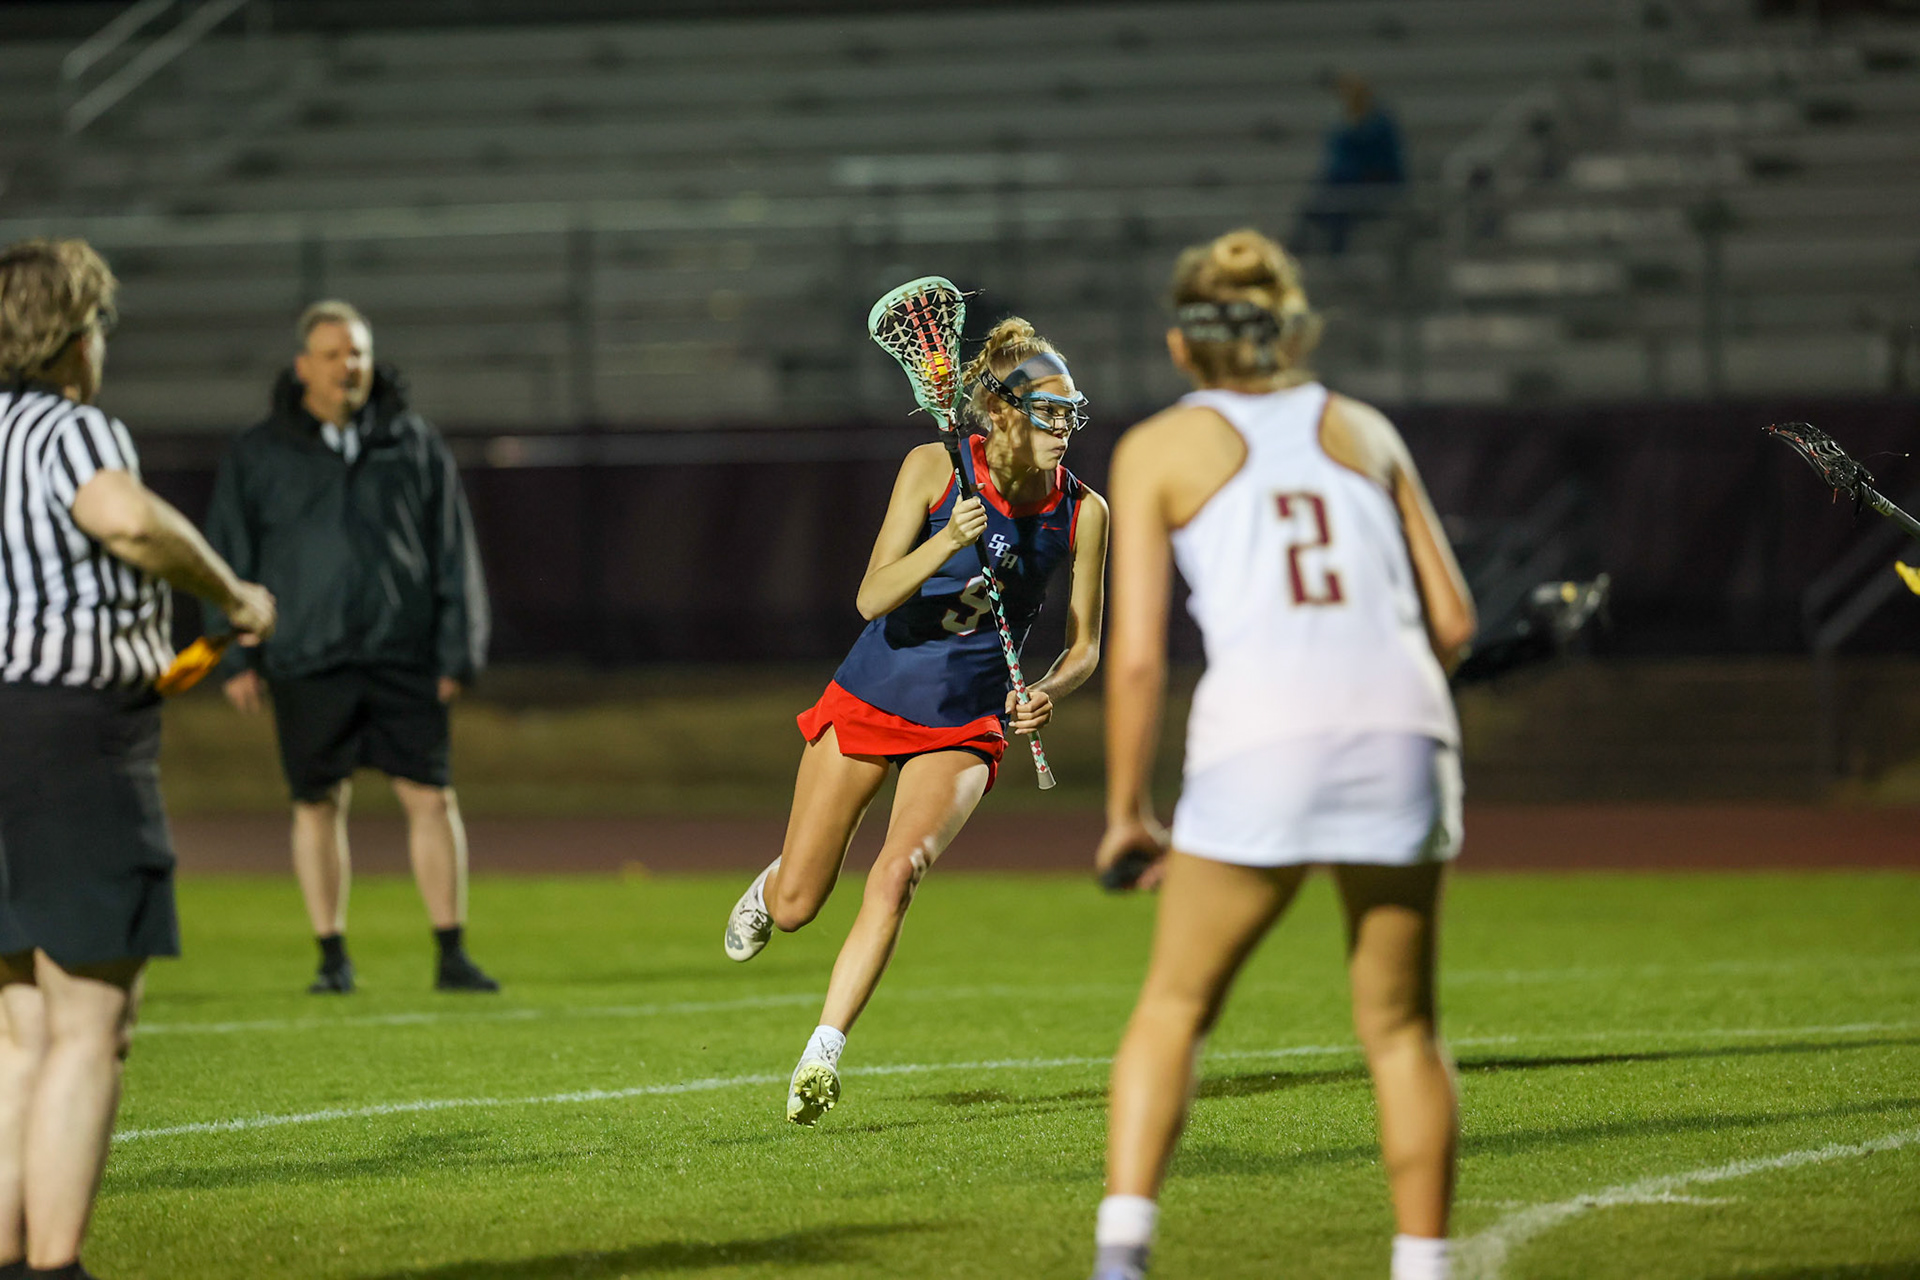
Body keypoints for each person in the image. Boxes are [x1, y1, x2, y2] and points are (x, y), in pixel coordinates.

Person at [1088, 229, 1476, 1280]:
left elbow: (1134, 664)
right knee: (1400, 1028)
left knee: (1174, 1005)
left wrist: (1127, 808)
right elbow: (1452, 618)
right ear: (1289, 324)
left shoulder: (1157, 447)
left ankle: (1123, 1254)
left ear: (1182, 346)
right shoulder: (1365, 426)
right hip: (1405, 730)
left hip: (1261, 733)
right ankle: (1425, 1263)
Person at [722, 317, 1109, 1126]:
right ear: (1001, 413)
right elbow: (870, 597)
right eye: (1049, 412)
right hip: (874, 693)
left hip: (965, 723)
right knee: (797, 906)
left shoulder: (1086, 511)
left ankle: (823, 1051)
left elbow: (1087, 646)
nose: (1064, 428)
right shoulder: (935, 468)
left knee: (900, 871)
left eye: (1071, 412)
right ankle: (774, 879)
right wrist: (948, 544)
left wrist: (1049, 690)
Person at [0, 238, 277, 1280]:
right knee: (89, 1020)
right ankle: (56, 1265)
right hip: (68, 739)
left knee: (21, 1021)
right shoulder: (73, 430)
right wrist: (233, 594)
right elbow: (122, 517)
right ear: (76, 336)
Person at [205, 300, 497, 995]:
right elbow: (226, 559)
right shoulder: (259, 451)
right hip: (306, 652)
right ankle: (332, 956)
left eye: (358, 353)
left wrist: (459, 649)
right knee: (316, 802)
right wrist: (234, 655)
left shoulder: (413, 440)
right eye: (334, 354)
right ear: (304, 366)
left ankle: (451, 952)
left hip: (402, 652)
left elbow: (453, 550)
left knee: (432, 798)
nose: (349, 366)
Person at [1296, 71, 1408, 256]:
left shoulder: (1380, 124)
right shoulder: (1342, 123)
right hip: (1345, 183)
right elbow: (1337, 160)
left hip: (1375, 182)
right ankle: (1310, 245)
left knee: (1335, 201)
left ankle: (1333, 249)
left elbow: (1385, 161)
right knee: (1325, 201)